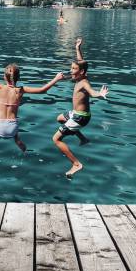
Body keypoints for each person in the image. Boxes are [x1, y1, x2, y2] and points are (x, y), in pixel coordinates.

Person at [0, 64, 65, 171]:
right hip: (12, 127)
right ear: (18, 78)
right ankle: (18, 141)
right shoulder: (21, 90)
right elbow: (42, 90)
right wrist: (56, 78)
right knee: (13, 125)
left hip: (0, 126)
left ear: (4, 77)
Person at [52, 37, 108, 177]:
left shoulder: (84, 83)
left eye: (73, 69)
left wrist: (99, 94)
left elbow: (91, 92)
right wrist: (77, 48)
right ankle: (83, 139)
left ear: (81, 72)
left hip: (80, 118)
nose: (70, 70)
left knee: (56, 139)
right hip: (76, 113)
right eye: (71, 68)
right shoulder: (79, 76)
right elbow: (81, 63)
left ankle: (76, 164)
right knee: (59, 118)